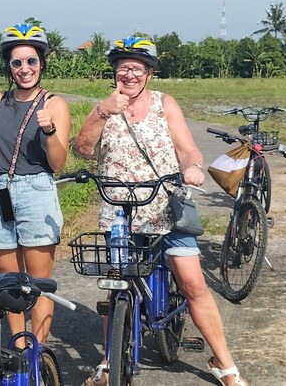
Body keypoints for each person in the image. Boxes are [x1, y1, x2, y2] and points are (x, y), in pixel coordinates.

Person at [73, 36, 249, 386]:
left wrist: (194, 167)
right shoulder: (103, 107)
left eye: (137, 68)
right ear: (115, 72)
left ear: (149, 73)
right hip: (119, 213)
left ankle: (224, 364)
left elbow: (187, 150)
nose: (129, 75)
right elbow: (82, 150)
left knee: (193, 282)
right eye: (123, 68)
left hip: (166, 208)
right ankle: (109, 362)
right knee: (115, 286)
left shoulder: (164, 104)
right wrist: (101, 112)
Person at [0, 23, 71, 348]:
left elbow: (57, 164)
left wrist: (51, 131)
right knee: (9, 284)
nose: (24, 69)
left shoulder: (54, 103)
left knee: (37, 282)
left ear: (42, 64)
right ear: (8, 66)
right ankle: (19, 348)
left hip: (36, 192)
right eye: (17, 63)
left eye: (31, 61)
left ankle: (36, 358)